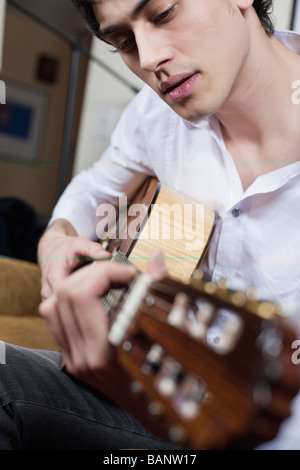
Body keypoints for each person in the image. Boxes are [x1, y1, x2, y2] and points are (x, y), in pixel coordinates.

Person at [1, 0, 300, 450]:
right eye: (123, 41)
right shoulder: (155, 115)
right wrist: (57, 241)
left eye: (162, 14)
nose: (148, 58)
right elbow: (90, 191)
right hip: (160, 407)